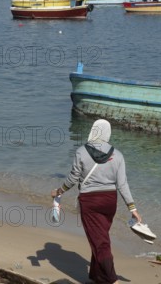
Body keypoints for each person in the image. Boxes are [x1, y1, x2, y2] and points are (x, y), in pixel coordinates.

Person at [51, 119, 141, 284]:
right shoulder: (118, 155)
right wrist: (132, 208)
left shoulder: (81, 152)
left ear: (93, 131)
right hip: (109, 202)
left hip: (90, 201)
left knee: (100, 242)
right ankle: (98, 278)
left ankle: (112, 280)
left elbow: (72, 178)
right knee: (99, 238)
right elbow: (122, 184)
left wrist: (59, 191)